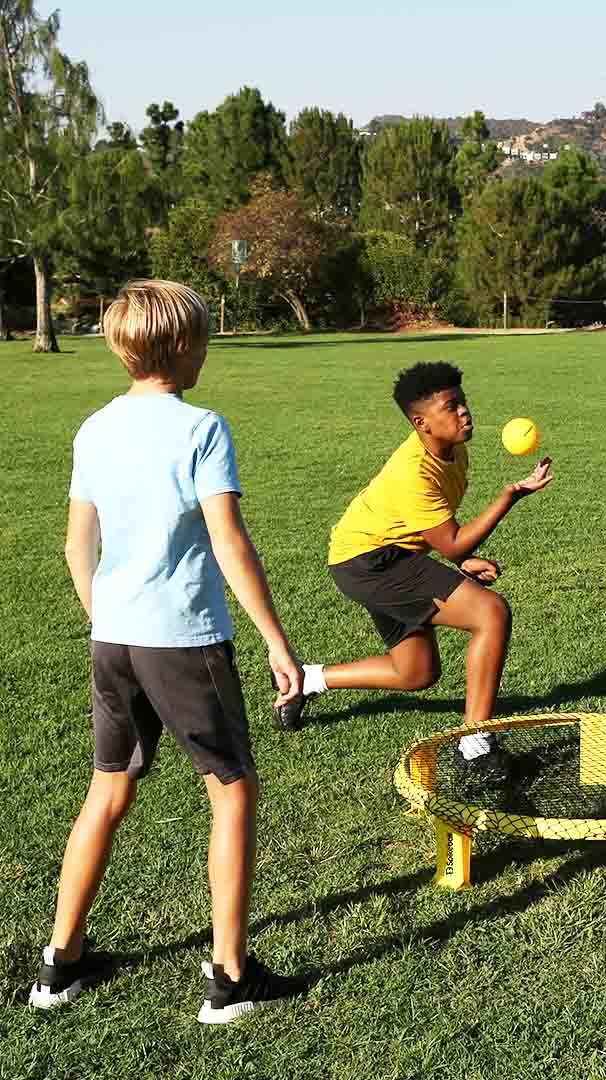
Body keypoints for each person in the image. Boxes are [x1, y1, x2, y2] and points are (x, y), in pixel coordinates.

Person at [29, 280, 306, 1023]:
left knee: (108, 789)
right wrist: (276, 641)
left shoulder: (95, 428)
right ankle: (229, 978)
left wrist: (108, 619)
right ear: (183, 346)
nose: (207, 351)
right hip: (184, 641)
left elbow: (76, 546)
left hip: (113, 639)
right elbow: (229, 542)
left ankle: (60, 964)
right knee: (233, 790)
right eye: (205, 338)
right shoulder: (202, 428)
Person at [278, 361, 552, 771]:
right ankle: (475, 744)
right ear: (421, 422)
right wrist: (509, 496)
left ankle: (308, 679)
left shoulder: (453, 450)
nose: (464, 411)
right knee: (490, 613)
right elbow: (452, 540)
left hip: (383, 557)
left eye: (462, 401)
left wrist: (461, 559)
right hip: (370, 561)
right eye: (451, 406)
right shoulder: (414, 471)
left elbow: (440, 534)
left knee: (417, 672)